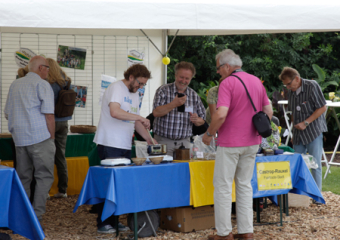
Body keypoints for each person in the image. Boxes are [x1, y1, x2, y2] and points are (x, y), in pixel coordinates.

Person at [202, 49, 273, 240]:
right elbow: (268, 111)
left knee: (223, 186)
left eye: (218, 68)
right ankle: (246, 231)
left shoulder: (228, 83)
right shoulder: (256, 81)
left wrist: (209, 133)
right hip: (252, 142)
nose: (218, 72)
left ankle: (224, 234)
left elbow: (221, 113)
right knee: (244, 185)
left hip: (230, 142)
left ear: (226, 66)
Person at [93, 63, 156, 234]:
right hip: (109, 143)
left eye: (143, 84)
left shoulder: (135, 94)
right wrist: (139, 117)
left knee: (120, 185)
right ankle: (103, 222)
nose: (141, 87)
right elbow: (115, 112)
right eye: (139, 83)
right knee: (108, 185)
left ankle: (115, 220)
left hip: (124, 144)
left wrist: (150, 139)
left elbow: (135, 121)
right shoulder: (116, 88)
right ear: (130, 77)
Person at [4, 56, 55, 227]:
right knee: (44, 177)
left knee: (23, 178)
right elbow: (49, 115)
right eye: (47, 67)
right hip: (40, 137)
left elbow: (7, 113)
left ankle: (22, 217)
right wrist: (52, 137)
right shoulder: (42, 84)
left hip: (19, 139)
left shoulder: (15, 84)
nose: (49, 71)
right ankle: (36, 217)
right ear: (41, 68)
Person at [279, 67, 327, 194]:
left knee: (315, 164)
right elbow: (294, 113)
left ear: (297, 78)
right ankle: (299, 193)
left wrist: (306, 123)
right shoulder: (291, 92)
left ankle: (316, 194)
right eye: (285, 85)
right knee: (296, 164)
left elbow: (322, 108)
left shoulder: (312, 86)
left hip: (313, 131)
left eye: (289, 83)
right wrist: (294, 132)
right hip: (298, 133)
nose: (288, 87)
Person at [152, 61, 206, 156]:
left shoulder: (193, 95)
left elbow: (203, 120)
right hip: (163, 141)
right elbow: (156, 112)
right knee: (163, 170)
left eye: (187, 78)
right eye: (181, 77)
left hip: (184, 143)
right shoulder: (163, 90)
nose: (183, 81)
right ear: (175, 75)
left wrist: (196, 120)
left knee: (184, 170)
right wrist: (173, 104)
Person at [46, 58, 73, 198]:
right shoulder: (66, 81)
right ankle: (63, 190)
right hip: (64, 122)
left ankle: (46, 191)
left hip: (51, 122)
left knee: (48, 156)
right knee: (61, 156)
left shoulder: (48, 82)